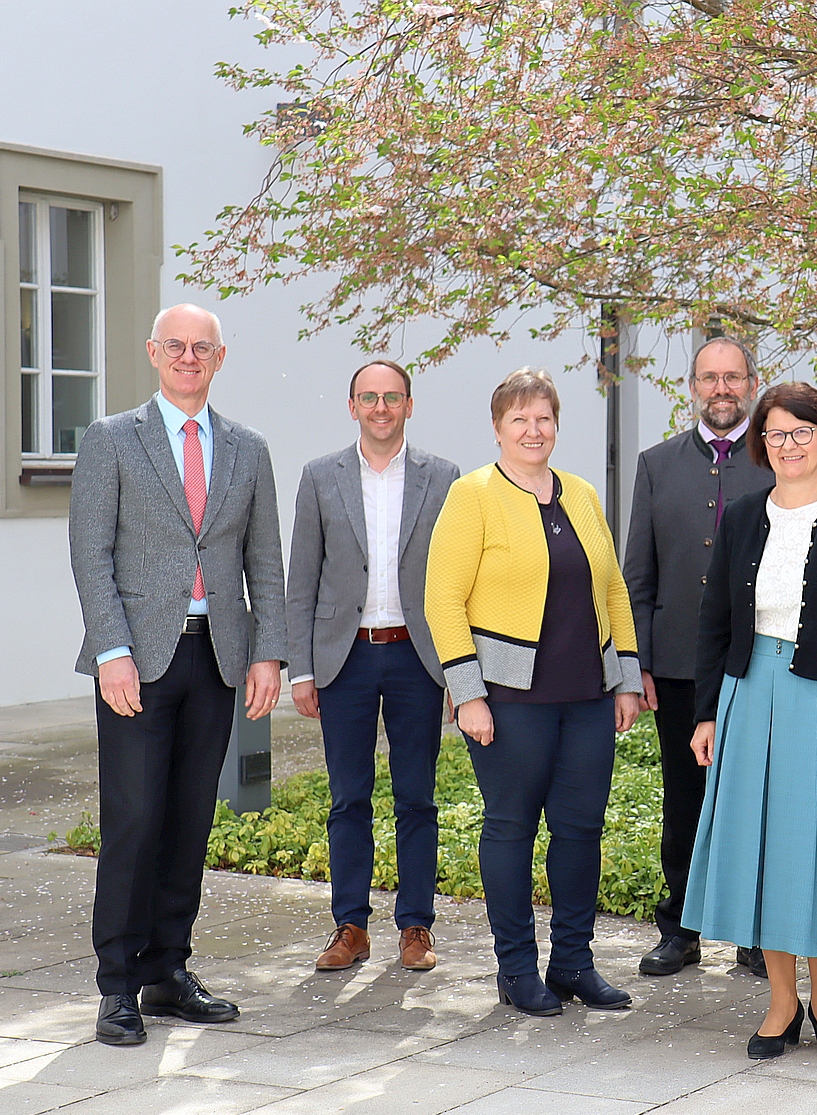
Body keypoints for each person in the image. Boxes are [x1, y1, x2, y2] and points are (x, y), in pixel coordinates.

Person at [69, 303, 286, 1047]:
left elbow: (264, 560)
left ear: (219, 359)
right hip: (137, 658)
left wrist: (269, 651)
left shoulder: (248, 447)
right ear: (154, 352)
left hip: (217, 657)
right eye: (177, 346)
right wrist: (111, 651)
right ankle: (117, 986)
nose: (189, 358)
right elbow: (91, 553)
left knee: (191, 820)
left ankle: (168, 971)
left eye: (203, 348)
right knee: (134, 820)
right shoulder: (111, 440)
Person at [685, 382, 817, 1060]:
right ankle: (781, 1000)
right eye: (777, 434)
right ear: (762, 443)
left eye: (803, 432)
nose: (790, 445)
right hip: (749, 696)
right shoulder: (744, 516)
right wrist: (705, 713)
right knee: (768, 848)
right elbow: (714, 621)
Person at [424, 368, 643, 1016]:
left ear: (556, 424)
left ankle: (573, 963)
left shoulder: (579, 493)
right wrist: (467, 694)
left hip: (586, 700)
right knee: (512, 829)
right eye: (519, 419)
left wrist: (625, 680)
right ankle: (516, 970)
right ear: (497, 428)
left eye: (543, 417)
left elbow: (613, 590)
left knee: (580, 831)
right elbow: (443, 599)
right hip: (508, 701)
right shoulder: (474, 495)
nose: (533, 429)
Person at [286, 360, 461, 973]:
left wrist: (456, 670)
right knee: (347, 799)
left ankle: (416, 926)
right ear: (352, 405)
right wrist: (300, 669)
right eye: (369, 397)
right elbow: (301, 576)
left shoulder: (444, 478)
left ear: (409, 405)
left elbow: (455, 577)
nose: (381, 407)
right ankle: (350, 927)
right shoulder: (319, 477)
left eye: (392, 397)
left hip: (418, 656)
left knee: (417, 797)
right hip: (345, 656)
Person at [622, 337, 774, 978]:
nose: (722, 389)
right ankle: (680, 929)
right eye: (710, 378)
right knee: (683, 800)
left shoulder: (781, 458)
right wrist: (640, 664)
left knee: (754, 798)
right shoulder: (657, 465)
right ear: (692, 386)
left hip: (759, 666)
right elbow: (639, 574)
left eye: (733, 378)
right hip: (679, 665)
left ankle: (754, 933)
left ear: (751, 383)